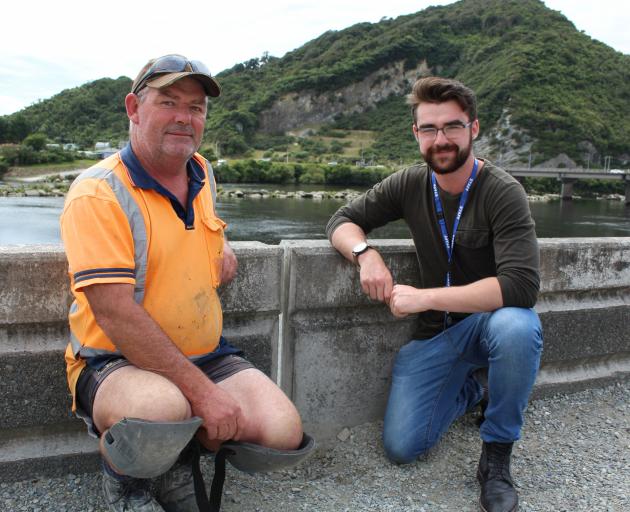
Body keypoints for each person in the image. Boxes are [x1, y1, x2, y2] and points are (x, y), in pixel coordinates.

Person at [60, 54, 304, 512]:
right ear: (134, 108)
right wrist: (205, 396)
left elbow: (197, 229)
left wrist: (220, 246)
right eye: (168, 101)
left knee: (282, 432)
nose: (183, 117)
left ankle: (173, 458)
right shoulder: (98, 192)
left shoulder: (202, 172)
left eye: (195, 108)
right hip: (114, 362)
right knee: (163, 408)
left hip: (204, 353)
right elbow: (114, 313)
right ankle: (126, 480)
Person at [326, 76, 543, 512]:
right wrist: (366, 255)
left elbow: (521, 286)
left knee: (518, 326)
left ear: (474, 129)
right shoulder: (409, 184)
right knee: (403, 447)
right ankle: (475, 390)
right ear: (416, 134)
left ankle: (496, 457)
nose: (440, 139)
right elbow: (341, 220)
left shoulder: (503, 192)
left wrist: (425, 298)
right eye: (429, 129)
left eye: (452, 127)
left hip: (487, 327)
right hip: (435, 338)